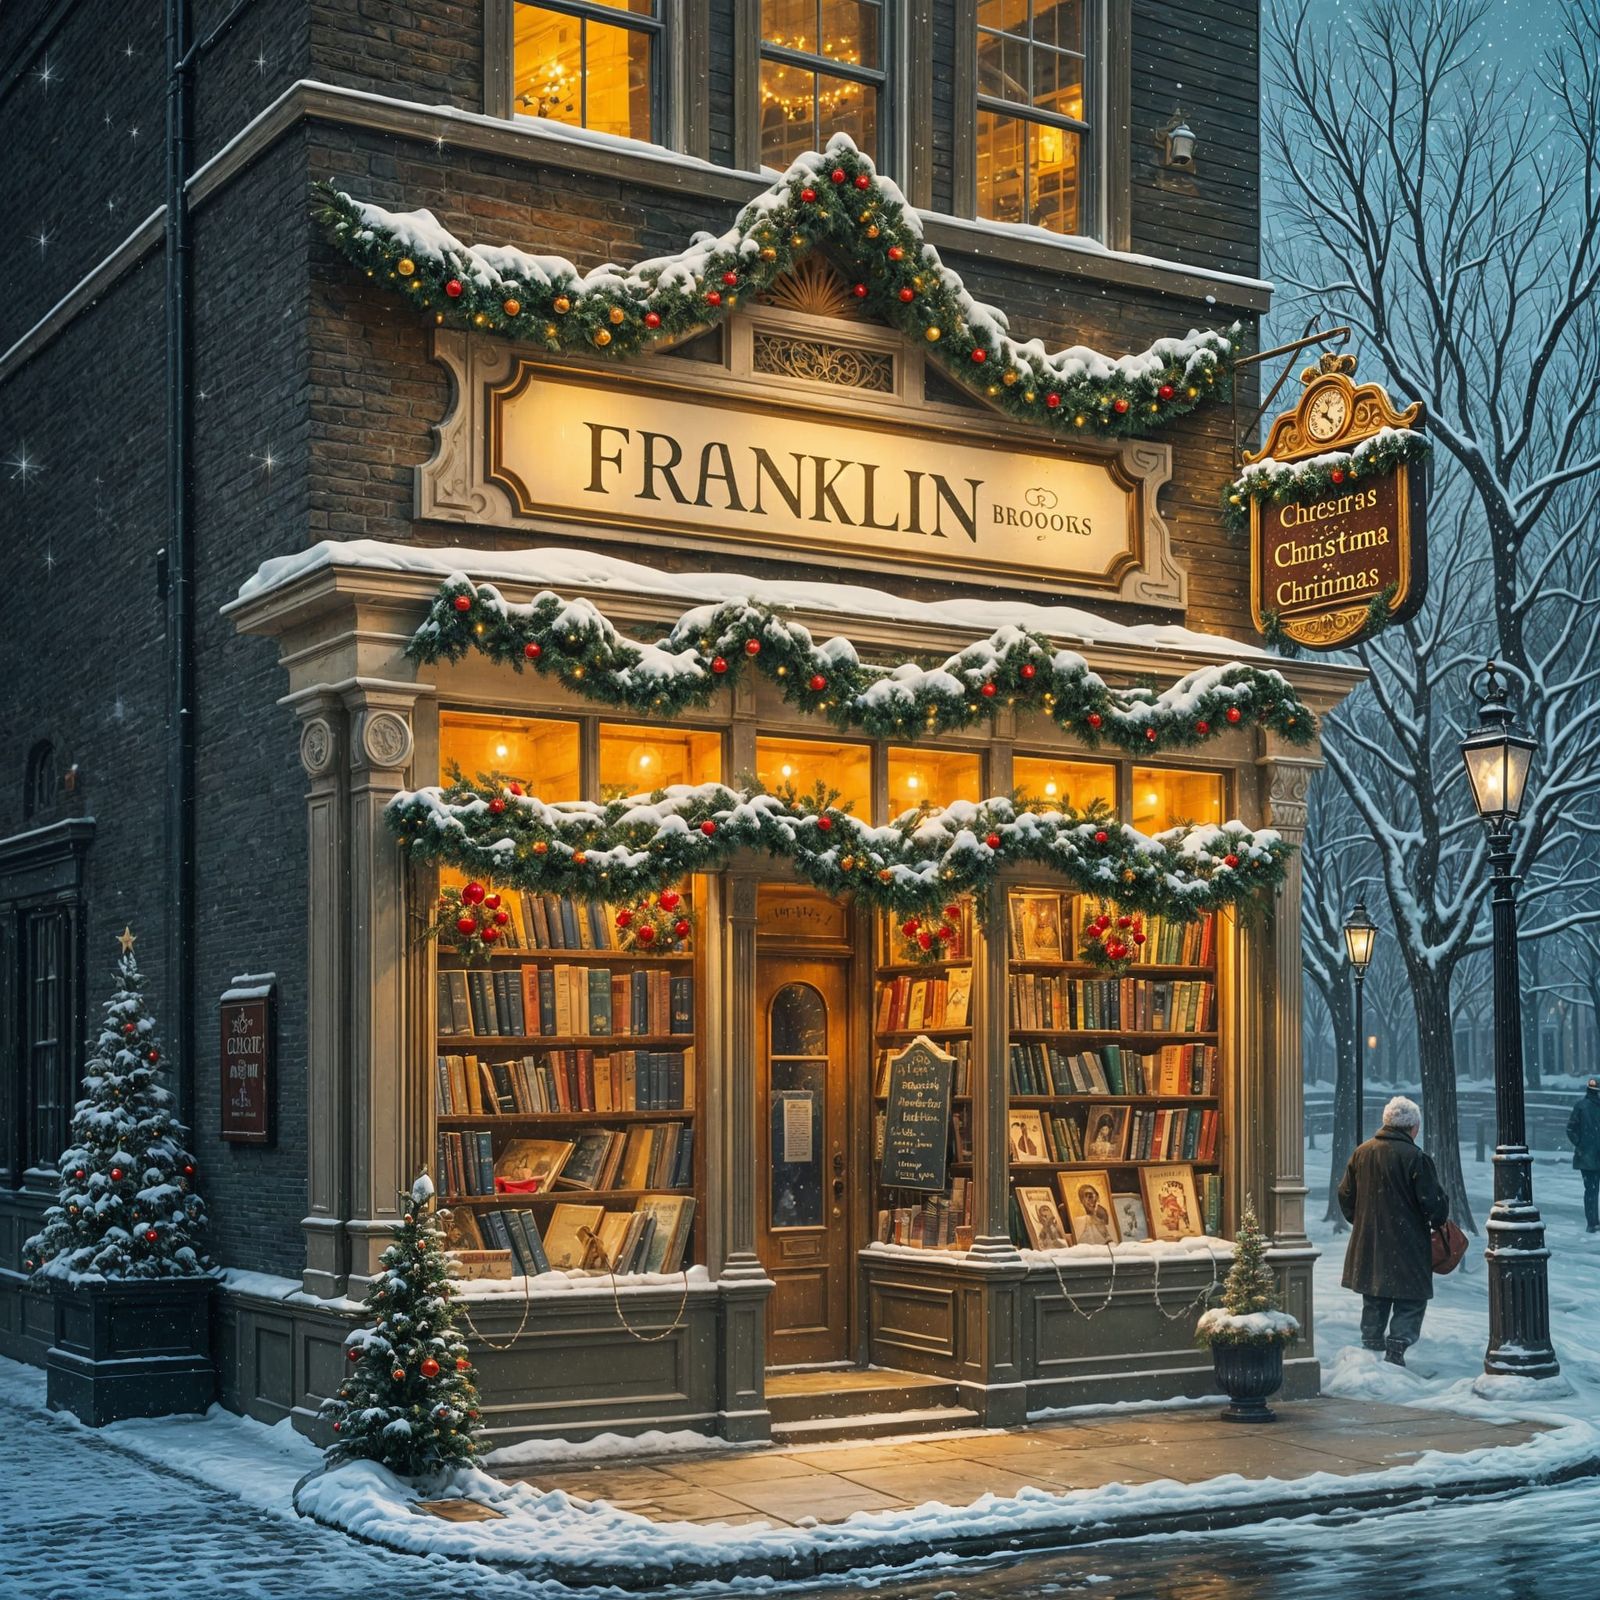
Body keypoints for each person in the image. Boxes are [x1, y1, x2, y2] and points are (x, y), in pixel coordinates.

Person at [1337, 1094, 1450, 1365]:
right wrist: (1437, 1219)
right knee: (1410, 1297)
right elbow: (1433, 1203)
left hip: (1370, 1240)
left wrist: (1362, 1221)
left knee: (1375, 1293)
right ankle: (1397, 1348)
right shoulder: (1416, 1158)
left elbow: (1344, 1195)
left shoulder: (1361, 1152)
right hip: (1407, 1242)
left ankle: (1371, 1346)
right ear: (1413, 1128)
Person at [1566, 1077, 1600, 1233]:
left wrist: (1580, 1144)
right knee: (1591, 1190)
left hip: (1586, 1156)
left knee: (1591, 1191)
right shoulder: (1583, 1107)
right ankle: (1593, 1222)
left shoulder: (1581, 1106)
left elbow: (1571, 1129)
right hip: (1590, 1155)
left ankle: (1592, 1222)